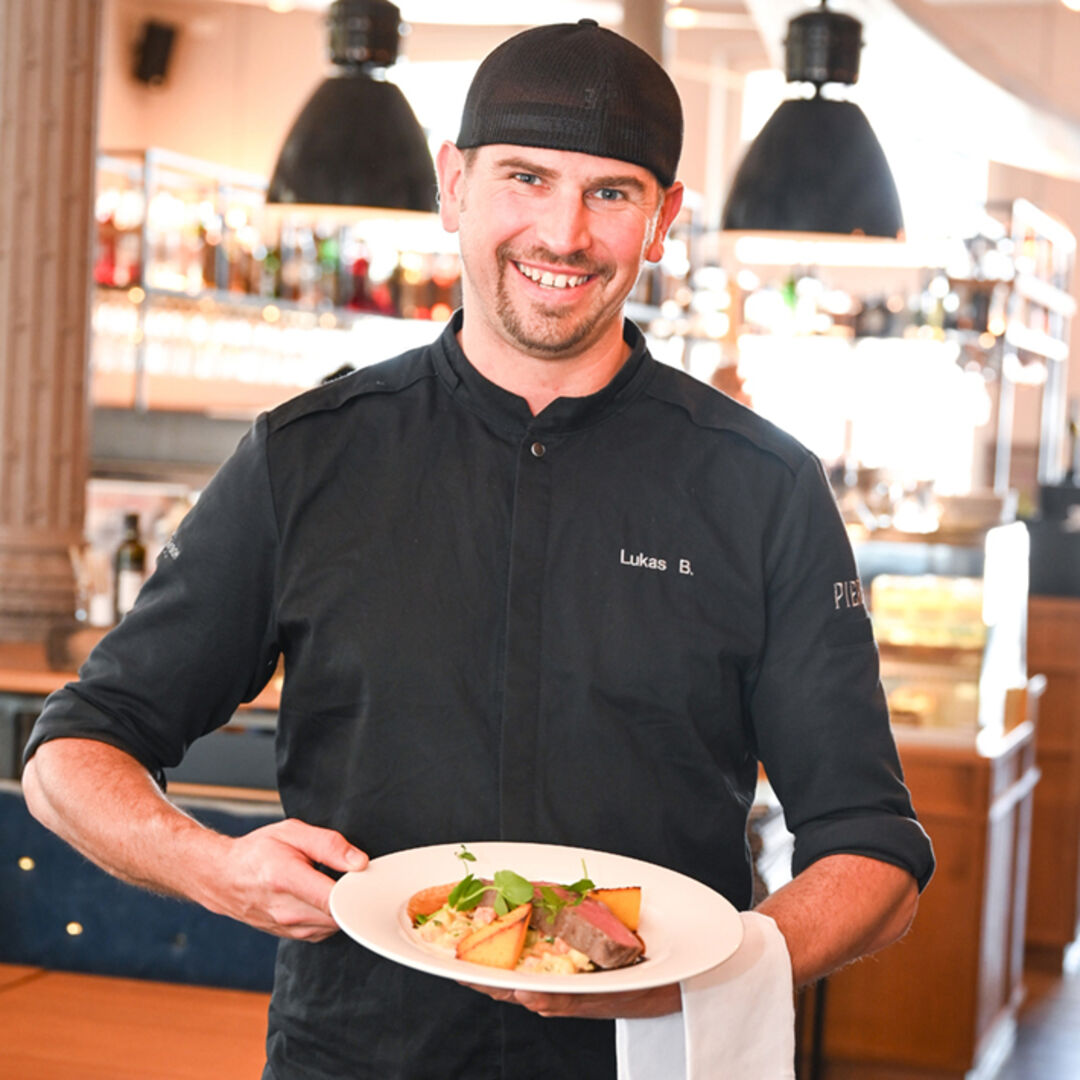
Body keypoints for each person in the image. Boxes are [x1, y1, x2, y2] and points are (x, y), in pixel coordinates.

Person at [22, 20, 933, 1080]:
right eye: (525, 178)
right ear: (452, 184)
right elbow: (71, 755)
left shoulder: (763, 486)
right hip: (358, 1055)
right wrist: (211, 867)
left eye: (610, 192)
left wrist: (723, 966)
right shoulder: (306, 457)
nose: (563, 233)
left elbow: (873, 847)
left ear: (662, 220)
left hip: (653, 1060)